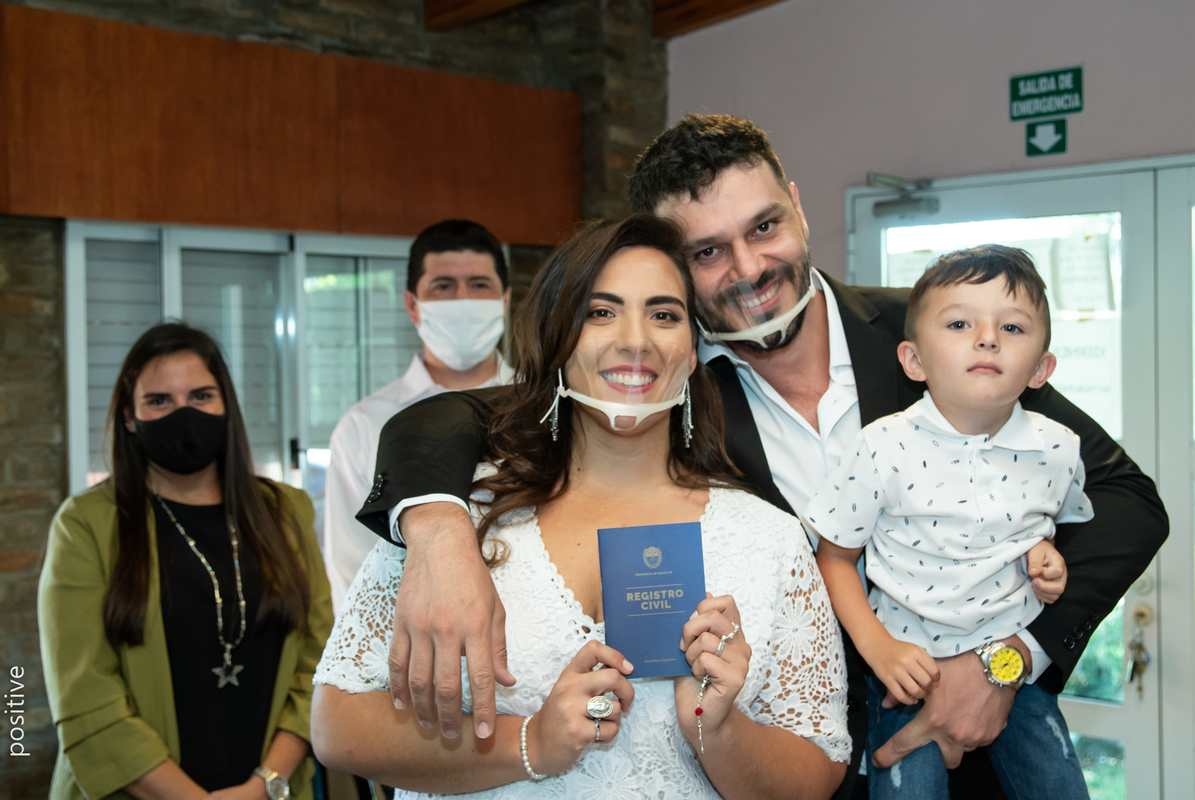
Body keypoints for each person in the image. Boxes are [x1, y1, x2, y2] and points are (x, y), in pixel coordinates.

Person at [353, 115, 1168, 799]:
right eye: (707, 252)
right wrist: (436, 531)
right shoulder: (668, 391)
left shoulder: (934, 335)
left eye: (764, 227)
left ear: (799, 209)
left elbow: (1127, 501)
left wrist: (1005, 663)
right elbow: (444, 417)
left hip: (972, 757)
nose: (749, 269)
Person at [311, 216, 851, 798]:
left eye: (664, 315)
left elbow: (818, 773)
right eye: (601, 312)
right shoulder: (453, 522)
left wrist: (719, 729)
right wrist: (530, 743)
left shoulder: (769, 540)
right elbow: (339, 728)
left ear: (694, 351)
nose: (635, 340)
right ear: (558, 338)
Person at [808, 246, 1090, 799]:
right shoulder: (881, 446)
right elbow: (834, 557)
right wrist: (878, 649)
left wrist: (1045, 553)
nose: (987, 338)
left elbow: (1058, 524)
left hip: (1014, 673)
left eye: (1012, 327)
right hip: (905, 670)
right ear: (913, 361)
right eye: (960, 324)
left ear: (1041, 369)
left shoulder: (1059, 447)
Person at [39, 323, 333, 800]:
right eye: (159, 400)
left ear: (225, 405)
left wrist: (265, 785)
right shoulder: (85, 525)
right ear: (129, 417)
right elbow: (85, 695)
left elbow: (320, 663)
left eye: (200, 396)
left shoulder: (286, 511)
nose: (183, 413)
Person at [323, 219, 513, 610]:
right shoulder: (364, 426)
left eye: (479, 285)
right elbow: (350, 569)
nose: (462, 301)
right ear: (412, 305)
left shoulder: (546, 407)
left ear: (505, 301)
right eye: (443, 286)